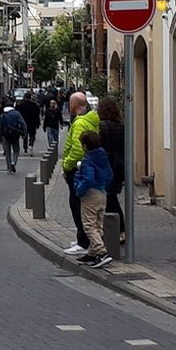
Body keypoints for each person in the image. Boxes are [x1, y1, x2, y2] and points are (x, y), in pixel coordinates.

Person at [61, 92, 99, 256]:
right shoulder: (91, 120)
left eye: (70, 103)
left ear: (74, 105)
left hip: (77, 169)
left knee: (77, 204)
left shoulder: (79, 123)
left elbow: (76, 149)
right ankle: (82, 238)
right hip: (88, 166)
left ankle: (83, 242)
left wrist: (66, 165)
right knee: (83, 204)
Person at [74, 130, 114, 268]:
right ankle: (92, 253)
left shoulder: (87, 160)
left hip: (90, 194)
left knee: (89, 225)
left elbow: (88, 178)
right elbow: (109, 175)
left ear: (84, 146)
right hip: (102, 193)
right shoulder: (103, 156)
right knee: (98, 224)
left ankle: (101, 252)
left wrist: (79, 189)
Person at [97, 98, 127, 241]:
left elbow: (100, 147)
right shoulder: (122, 126)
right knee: (111, 197)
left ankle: (118, 229)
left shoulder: (102, 126)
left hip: (107, 166)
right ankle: (118, 230)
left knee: (109, 199)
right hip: (119, 166)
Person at [0, 98, 27, 173]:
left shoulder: (2, 115)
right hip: (15, 134)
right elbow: (23, 123)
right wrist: (24, 132)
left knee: (7, 152)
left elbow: (0, 126)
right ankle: (14, 162)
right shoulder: (17, 113)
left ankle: (8, 167)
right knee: (16, 150)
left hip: (5, 135)